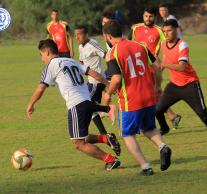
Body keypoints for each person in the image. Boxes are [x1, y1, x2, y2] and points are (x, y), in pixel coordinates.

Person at [26, 39, 121, 170]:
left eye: (41, 55)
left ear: (47, 52)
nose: (42, 59)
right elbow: (93, 73)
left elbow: (41, 88)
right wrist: (107, 84)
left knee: (78, 143)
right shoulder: (71, 61)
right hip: (86, 101)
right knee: (83, 136)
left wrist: (31, 104)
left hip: (76, 105)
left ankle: (111, 160)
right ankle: (106, 138)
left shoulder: (51, 65)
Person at [102, 20, 172, 176]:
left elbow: (117, 79)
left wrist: (107, 94)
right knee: (149, 127)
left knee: (127, 135)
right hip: (149, 96)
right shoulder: (141, 46)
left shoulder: (112, 53)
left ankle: (145, 167)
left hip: (131, 99)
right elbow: (157, 66)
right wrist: (158, 86)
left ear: (107, 36)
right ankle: (162, 146)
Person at [156, 19, 207, 146]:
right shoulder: (164, 43)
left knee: (202, 113)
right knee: (158, 110)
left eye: (169, 30)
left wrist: (165, 64)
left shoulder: (183, 45)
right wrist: (159, 70)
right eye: (164, 31)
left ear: (176, 30)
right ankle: (164, 128)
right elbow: (165, 57)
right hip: (174, 85)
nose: (166, 34)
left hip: (190, 85)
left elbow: (182, 67)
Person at [129, 6, 182, 130]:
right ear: (143, 16)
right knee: (155, 95)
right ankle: (172, 116)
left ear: (155, 17)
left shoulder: (159, 31)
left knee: (150, 94)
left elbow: (169, 46)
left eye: (151, 16)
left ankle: (147, 123)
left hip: (152, 68)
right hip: (137, 69)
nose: (148, 19)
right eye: (146, 16)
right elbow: (129, 46)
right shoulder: (135, 28)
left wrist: (162, 65)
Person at [74, 25, 120, 156]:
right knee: (91, 109)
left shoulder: (92, 44)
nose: (77, 37)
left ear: (86, 34)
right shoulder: (80, 47)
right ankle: (105, 135)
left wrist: (110, 75)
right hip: (90, 82)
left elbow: (106, 55)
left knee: (87, 107)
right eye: (76, 34)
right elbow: (82, 62)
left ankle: (108, 110)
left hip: (97, 82)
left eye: (80, 34)